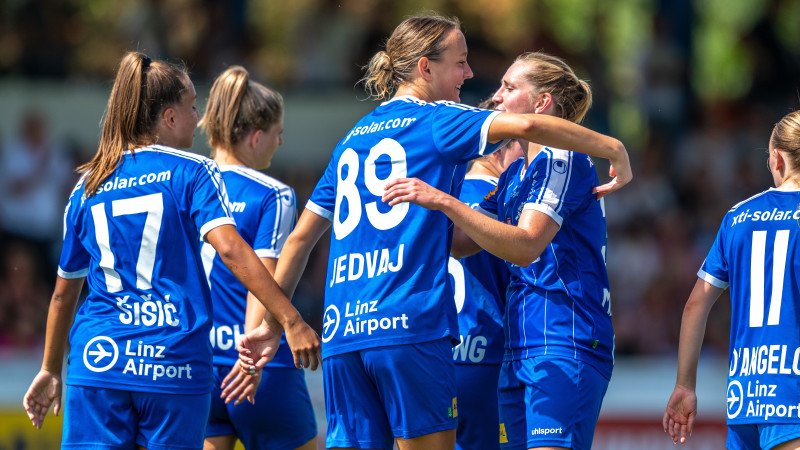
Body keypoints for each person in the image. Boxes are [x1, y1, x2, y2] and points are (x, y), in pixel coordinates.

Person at [238, 16, 629, 450]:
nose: (469, 75)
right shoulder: (441, 121)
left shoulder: (351, 139)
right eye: (460, 63)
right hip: (410, 328)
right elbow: (530, 127)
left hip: (342, 336)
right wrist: (613, 148)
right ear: (426, 68)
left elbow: (299, 241)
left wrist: (278, 323)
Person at [21, 51, 320, 450]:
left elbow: (63, 292)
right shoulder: (194, 171)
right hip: (171, 363)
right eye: (192, 107)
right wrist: (291, 319)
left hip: (98, 362)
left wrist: (49, 367)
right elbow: (232, 250)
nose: (199, 119)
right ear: (170, 117)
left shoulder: (88, 185)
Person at [382, 52, 616, 450]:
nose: (495, 98)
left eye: (508, 88)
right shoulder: (512, 175)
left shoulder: (563, 158)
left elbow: (525, 246)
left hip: (563, 338)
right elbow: (459, 242)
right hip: (518, 345)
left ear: (541, 104)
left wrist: (442, 200)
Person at [663, 110, 800, 450]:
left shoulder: (737, 216)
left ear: (777, 160)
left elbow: (697, 303)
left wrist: (685, 385)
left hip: (746, 398)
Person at [199, 65, 317, 450]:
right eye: (278, 134)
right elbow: (261, 281)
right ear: (255, 137)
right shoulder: (272, 194)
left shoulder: (185, 184)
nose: (280, 143)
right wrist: (251, 360)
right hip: (254, 366)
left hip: (199, 365)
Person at [449, 101, 524, 450]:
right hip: (490, 358)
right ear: (500, 147)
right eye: (526, 145)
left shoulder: (440, 196)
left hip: (436, 357)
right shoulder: (512, 201)